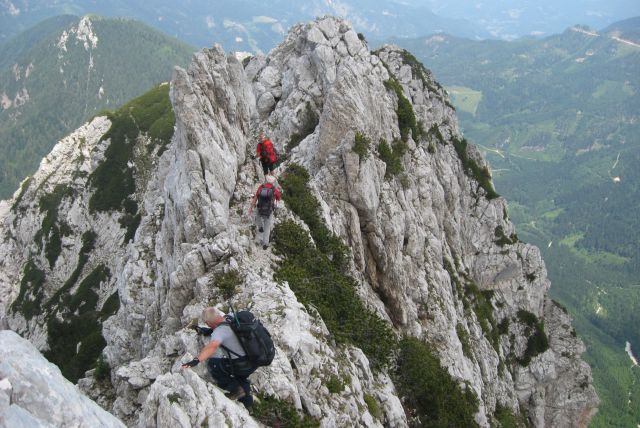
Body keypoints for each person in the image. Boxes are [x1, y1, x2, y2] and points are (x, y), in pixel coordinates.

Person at [182, 307, 256, 409]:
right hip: (253, 359)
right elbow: (221, 328)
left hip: (241, 364)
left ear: (208, 322)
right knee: (241, 377)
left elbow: (212, 346)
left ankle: (235, 389)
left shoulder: (219, 332)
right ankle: (248, 405)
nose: (207, 325)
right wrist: (206, 331)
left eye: (206, 323)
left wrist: (196, 360)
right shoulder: (230, 317)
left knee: (213, 364)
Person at [248, 174, 281, 250]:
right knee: (267, 226)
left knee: (257, 217)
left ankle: (260, 227)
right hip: (269, 210)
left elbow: (255, 198)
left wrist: (250, 208)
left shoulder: (261, 187)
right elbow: (278, 198)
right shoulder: (274, 190)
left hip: (260, 208)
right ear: (273, 182)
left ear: (266, 180)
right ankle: (265, 244)